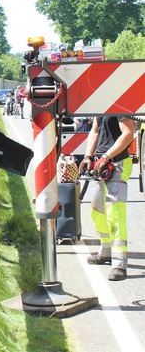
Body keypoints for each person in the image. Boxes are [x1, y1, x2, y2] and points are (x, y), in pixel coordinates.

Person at [78, 116, 135, 281]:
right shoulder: (99, 103)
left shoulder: (121, 103)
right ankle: (106, 252)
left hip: (117, 164)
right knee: (97, 211)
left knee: (114, 214)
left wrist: (107, 157)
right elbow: (94, 130)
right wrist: (88, 156)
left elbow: (128, 133)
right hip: (100, 164)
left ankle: (119, 265)